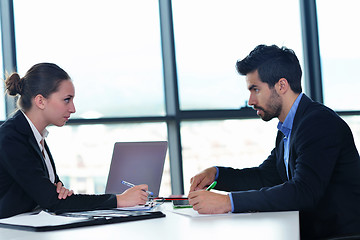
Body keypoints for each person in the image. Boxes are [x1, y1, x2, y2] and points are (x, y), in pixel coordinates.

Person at [188, 44, 360, 239]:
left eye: (256, 89)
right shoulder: (290, 128)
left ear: (281, 85)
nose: (251, 100)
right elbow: (265, 177)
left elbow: (304, 192)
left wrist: (228, 202)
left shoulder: (318, 124)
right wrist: (217, 174)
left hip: (338, 235)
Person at [0, 63, 149, 219]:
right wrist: (119, 200)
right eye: (66, 100)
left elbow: (55, 195)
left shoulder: (35, 136)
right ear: (40, 101)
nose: (73, 108)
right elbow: (53, 201)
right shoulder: (11, 138)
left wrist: (57, 193)